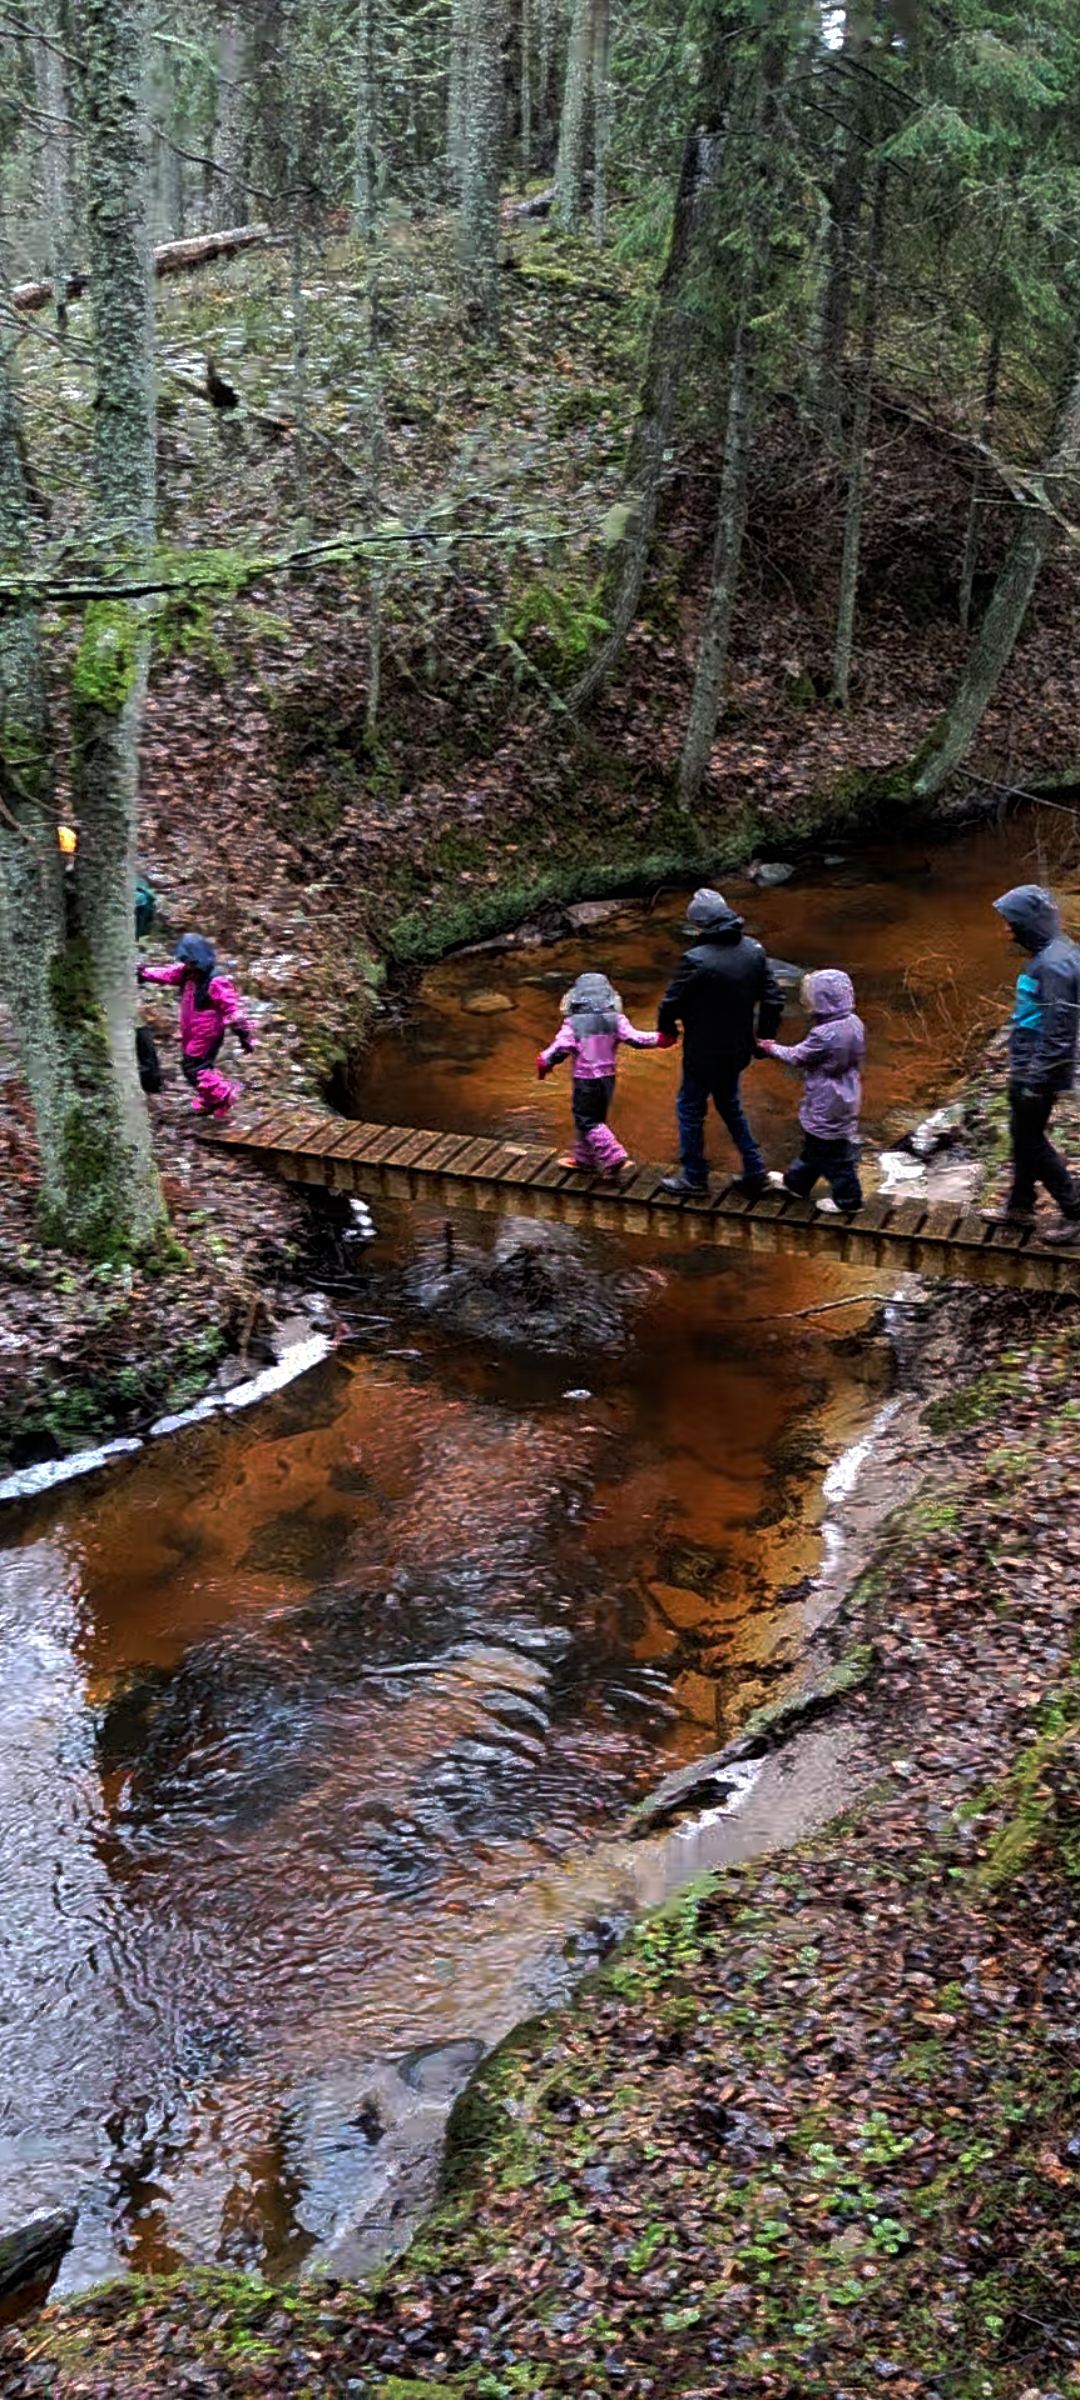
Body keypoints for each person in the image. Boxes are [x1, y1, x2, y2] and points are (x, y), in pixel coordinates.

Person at [656, 887, 783, 1197]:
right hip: (738, 1051)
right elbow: (774, 999)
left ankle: (695, 1178)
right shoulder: (754, 951)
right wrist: (765, 1037)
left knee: (689, 1109)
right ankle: (755, 1171)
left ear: (701, 925)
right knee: (731, 1107)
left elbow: (670, 1003)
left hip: (702, 1053)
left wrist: (668, 1031)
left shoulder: (696, 959)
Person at [981, 884, 1080, 1244]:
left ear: (1030, 923)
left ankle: (1074, 1210)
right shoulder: (1051, 955)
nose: (1005, 929)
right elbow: (1038, 1017)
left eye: (1011, 922)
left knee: (1031, 1143)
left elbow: (1061, 1028)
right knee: (1025, 1139)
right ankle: (1019, 1208)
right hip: (1031, 1065)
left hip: (1038, 1071)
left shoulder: (1055, 965)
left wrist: (1035, 1078)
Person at [537, 970, 675, 1178]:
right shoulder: (616, 1019)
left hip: (585, 1080)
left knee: (586, 1120)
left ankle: (613, 1155)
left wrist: (544, 1063)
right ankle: (584, 1160)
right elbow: (635, 1039)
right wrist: (660, 1039)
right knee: (593, 1119)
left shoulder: (574, 1024)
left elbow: (559, 1048)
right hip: (608, 1079)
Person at [757, 968, 865, 1215]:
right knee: (816, 1145)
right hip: (848, 1090)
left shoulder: (824, 1033)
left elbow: (798, 1056)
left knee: (834, 1153)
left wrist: (770, 1048)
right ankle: (797, 1182)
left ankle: (849, 1198)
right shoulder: (854, 1022)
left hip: (827, 1098)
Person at [137, 933, 256, 1116]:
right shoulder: (186, 974)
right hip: (190, 1030)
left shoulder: (216, 981)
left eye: (191, 962)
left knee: (196, 1066)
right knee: (193, 1065)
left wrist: (244, 1035)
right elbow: (166, 974)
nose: (188, 966)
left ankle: (221, 1097)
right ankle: (211, 1097)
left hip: (207, 1033)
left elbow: (232, 1010)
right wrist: (144, 973)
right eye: (186, 962)